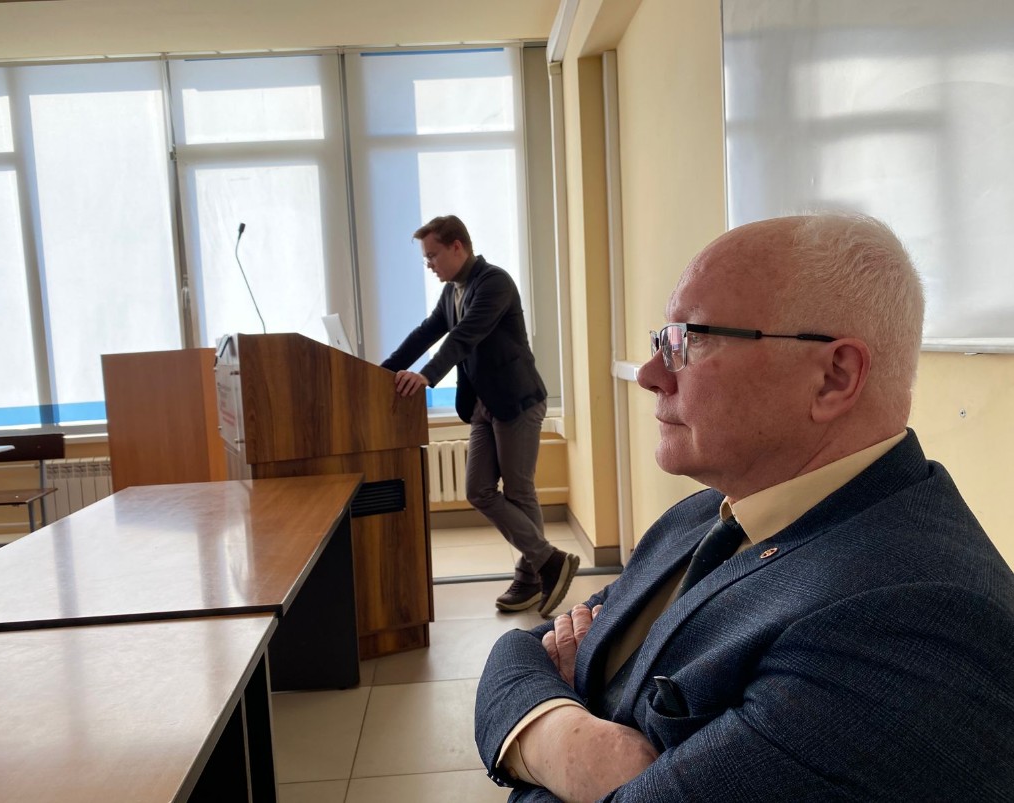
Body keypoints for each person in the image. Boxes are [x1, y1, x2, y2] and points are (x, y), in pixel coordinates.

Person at [474, 213, 1014, 801]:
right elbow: (521, 651)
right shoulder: (708, 514)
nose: (650, 375)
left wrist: (550, 735)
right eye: (663, 340)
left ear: (834, 378)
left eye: (692, 339)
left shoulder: (915, 621)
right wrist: (577, 746)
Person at [382, 215, 579, 617]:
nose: (429, 264)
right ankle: (548, 560)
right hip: (482, 405)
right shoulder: (452, 291)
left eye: (433, 255)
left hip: (517, 401)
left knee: (519, 492)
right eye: (426, 258)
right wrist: (381, 372)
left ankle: (530, 577)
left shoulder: (494, 282)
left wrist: (427, 375)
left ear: (457, 247)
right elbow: (425, 333)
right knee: (478, 490)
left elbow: (464, 336)